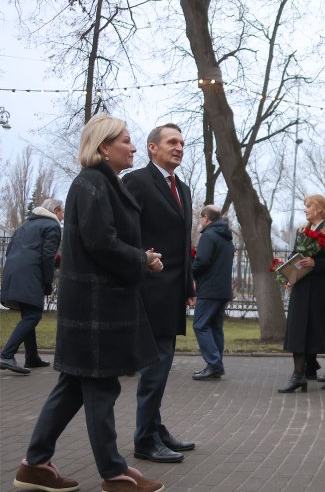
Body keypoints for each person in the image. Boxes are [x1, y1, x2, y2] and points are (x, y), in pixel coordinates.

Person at [11, 113, 164, 492]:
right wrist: (141, 258)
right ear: (103, 147)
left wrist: (139, 256)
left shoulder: (101, 184)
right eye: (126, 140)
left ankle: (35, 464)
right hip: (98, 309)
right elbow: (100, 243)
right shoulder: (93, 183)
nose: (132, 146)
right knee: (100, 387)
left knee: (71, 389)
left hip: (96, 306)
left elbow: (105, 241)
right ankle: (114, 474)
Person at [123, 123, 196, 463]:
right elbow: (124, 232)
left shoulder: (182, 186)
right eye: (171, 142)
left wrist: (189, 283)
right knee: (156, 367)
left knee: (162, 366)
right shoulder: (135, 182)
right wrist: (142, 262)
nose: (179, 147)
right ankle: (144, 440)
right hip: (147, 291)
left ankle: (154, 428)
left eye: (181, 142)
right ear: (152, 148)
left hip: (172, 294)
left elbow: (182, 241)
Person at [278, 194, 325, 393]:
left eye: (308, 206)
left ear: (318, 208)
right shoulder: (303, 231)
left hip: (321, 289)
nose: (305, 210)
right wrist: (288, 276)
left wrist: (317, 263)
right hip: (301, 287)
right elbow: (295, 256)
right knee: (297, 330)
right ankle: (298, 376)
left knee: (323, 331)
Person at [0, 198, 64, 375]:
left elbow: (11, 249)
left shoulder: (25, 225)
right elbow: (47, 255)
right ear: (56, 211)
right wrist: (47, 282)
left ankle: (32, 357)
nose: (63, 216)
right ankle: (6, 354)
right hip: (31, 273)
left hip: (13, 271)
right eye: (62, 212)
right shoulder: (52, 226)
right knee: (33, 316)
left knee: (28, 314)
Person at [191, 205, 235, 380]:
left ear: (206, 218)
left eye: (201, 218)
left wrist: (190, 274)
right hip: (223, 289)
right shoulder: (227, 238)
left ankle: (214, 364)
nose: (201, 221)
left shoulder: (209, 236)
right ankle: (217, 365)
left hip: (209, 289)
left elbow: (202, 262)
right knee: (216, 327)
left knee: (200, 325)